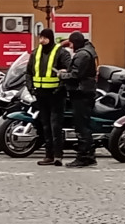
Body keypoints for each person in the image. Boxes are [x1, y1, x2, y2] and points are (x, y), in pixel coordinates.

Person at [27, 28, 72, 167]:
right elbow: (28, 72)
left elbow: (68, 71)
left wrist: (61, 87)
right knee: (45, 125)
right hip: (41, 94)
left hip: (56, 94)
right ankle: (49, 155)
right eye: (40, 38)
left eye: (45, 38)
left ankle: (58, 155)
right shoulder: (36, 53)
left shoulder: (61, 52)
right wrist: (30, 88)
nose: (42, 41)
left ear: (50, 38)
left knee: (55, 125)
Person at [59, 30, 98, 167]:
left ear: (75, 43)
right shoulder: (88, 51)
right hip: (85, 92)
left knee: (81, 126)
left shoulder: (82, 55)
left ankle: (84, 156)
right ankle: (89, 154)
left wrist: (62, 75)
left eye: (71, 44)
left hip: (81, 93)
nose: (70, 47)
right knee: (84, 124)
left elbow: (75, 75)